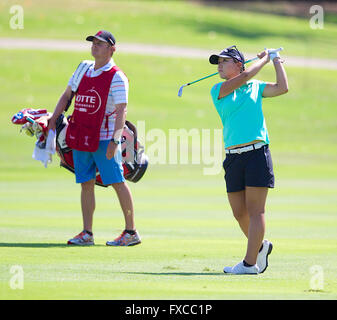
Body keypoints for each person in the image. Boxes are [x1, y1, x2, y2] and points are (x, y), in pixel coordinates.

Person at [48, 30, 141, 246]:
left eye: (101, 44)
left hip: (105, 138)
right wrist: (53, 118)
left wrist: (115, 141)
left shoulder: (117, 76)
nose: (95, 46)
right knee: (86, 183)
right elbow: (67, 94)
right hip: (81, 134)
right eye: (94, 43)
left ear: (112, 49)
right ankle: (87, 233)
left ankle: (131, 232)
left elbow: (121, 112)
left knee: (117, 182)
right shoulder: (83, 67)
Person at [209, 45, 288, 274]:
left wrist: (275, 60)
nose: (219, 65)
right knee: (239, 213)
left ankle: (249, 263)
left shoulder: (255, 87)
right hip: (233, 157)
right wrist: (262, 61)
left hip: (256, 153)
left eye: (225, 61)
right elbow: (245, 77)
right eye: (218, 62)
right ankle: (261, 247)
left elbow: (283, 88)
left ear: (238, 64)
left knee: (256, 211)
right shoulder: (218, 89)